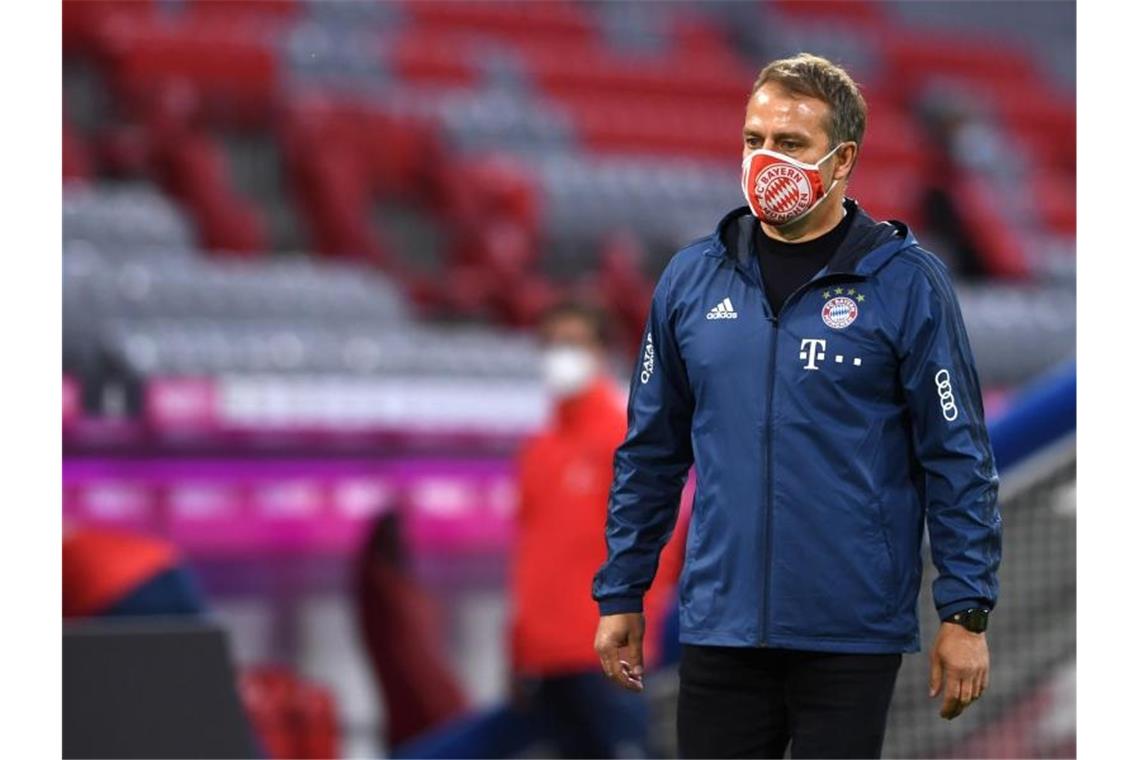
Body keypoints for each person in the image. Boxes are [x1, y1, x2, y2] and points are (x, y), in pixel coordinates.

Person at [592, 53, 1002, 759]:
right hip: (721, 626)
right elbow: (651, 452)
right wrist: (622, 589)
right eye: (754, 140)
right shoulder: (691, 279)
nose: (765, 159)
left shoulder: (908, 285)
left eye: (790, 144)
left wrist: (965, 613)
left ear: (841, 160)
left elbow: (957, 456)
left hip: (848, 634)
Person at [508, 301, 687, 758]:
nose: (558, 356)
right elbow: (529, 556)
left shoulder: (625, 434)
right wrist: (519, 647)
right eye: (550, 345)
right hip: (546, 658)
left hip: (604, 652)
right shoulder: (538, 450)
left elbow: (659, 538)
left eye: (572, 344)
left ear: (601, 352)